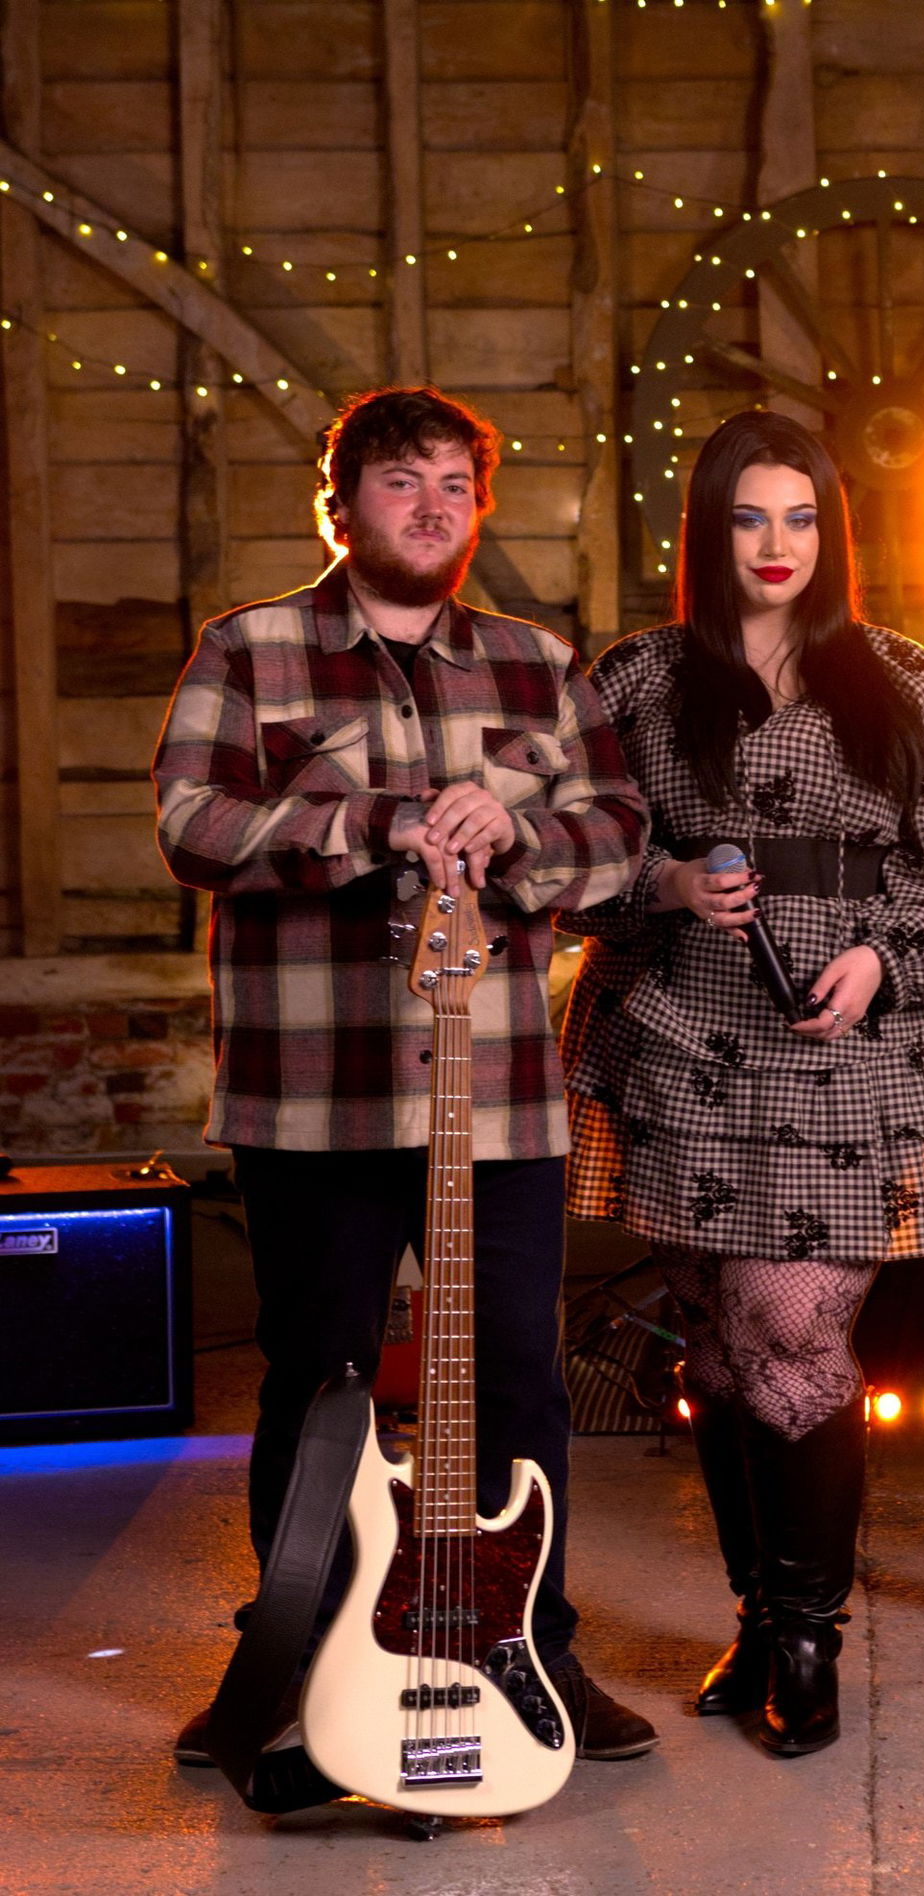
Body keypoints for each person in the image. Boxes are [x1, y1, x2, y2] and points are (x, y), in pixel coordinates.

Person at [155, 385, 658, 1767]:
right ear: (340, 505)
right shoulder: (248, 650)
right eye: (399, 481)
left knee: (519, 1382)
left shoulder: (538, 664)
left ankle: (530, 1651)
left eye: (454, 485)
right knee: (315, 1378)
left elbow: (621, 834)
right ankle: (290, 1660)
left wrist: (523, 835)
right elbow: (191, 822)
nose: (431, 506)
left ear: (478, 510)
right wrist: (382, 824)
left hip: (497, 1100)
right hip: (313, 1096)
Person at [560, 410, 924, 1756]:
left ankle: (809, 1636)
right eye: (750, 517)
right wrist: (663, 884)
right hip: (681, 1036)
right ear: (709, 528)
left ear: (831, 532)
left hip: (845, 1047)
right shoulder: (638, 677)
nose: (777, 544)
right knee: (715, 1339)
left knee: (791, 1330)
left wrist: (884, 960)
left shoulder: (902, 675)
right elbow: (564, 854)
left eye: (801, 518)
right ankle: (757, 1617)